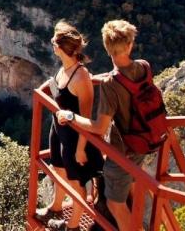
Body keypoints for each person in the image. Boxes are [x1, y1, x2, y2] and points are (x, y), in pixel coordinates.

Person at [58, 20, 155, 231]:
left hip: (123, 151)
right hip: (145, 140)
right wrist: (102, 79)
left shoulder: (111, 86)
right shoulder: (144, 66)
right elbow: (127, 80)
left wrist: (71, 116)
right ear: (130, 45)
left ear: (106, 47)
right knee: (133, 189)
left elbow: (99, 127)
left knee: (115, 203)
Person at [36, 22, 103, 230]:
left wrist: (81, 149)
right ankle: (56, 206)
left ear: (60, 47)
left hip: (75, 138)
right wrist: (41, 90)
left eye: (54, 42)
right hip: (59, 131)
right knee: (58, 170)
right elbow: (56, 86)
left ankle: (72, 227)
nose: (51, 45)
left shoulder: (81, 76)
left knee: (76, 184)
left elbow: (86, 117)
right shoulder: (65, 68)